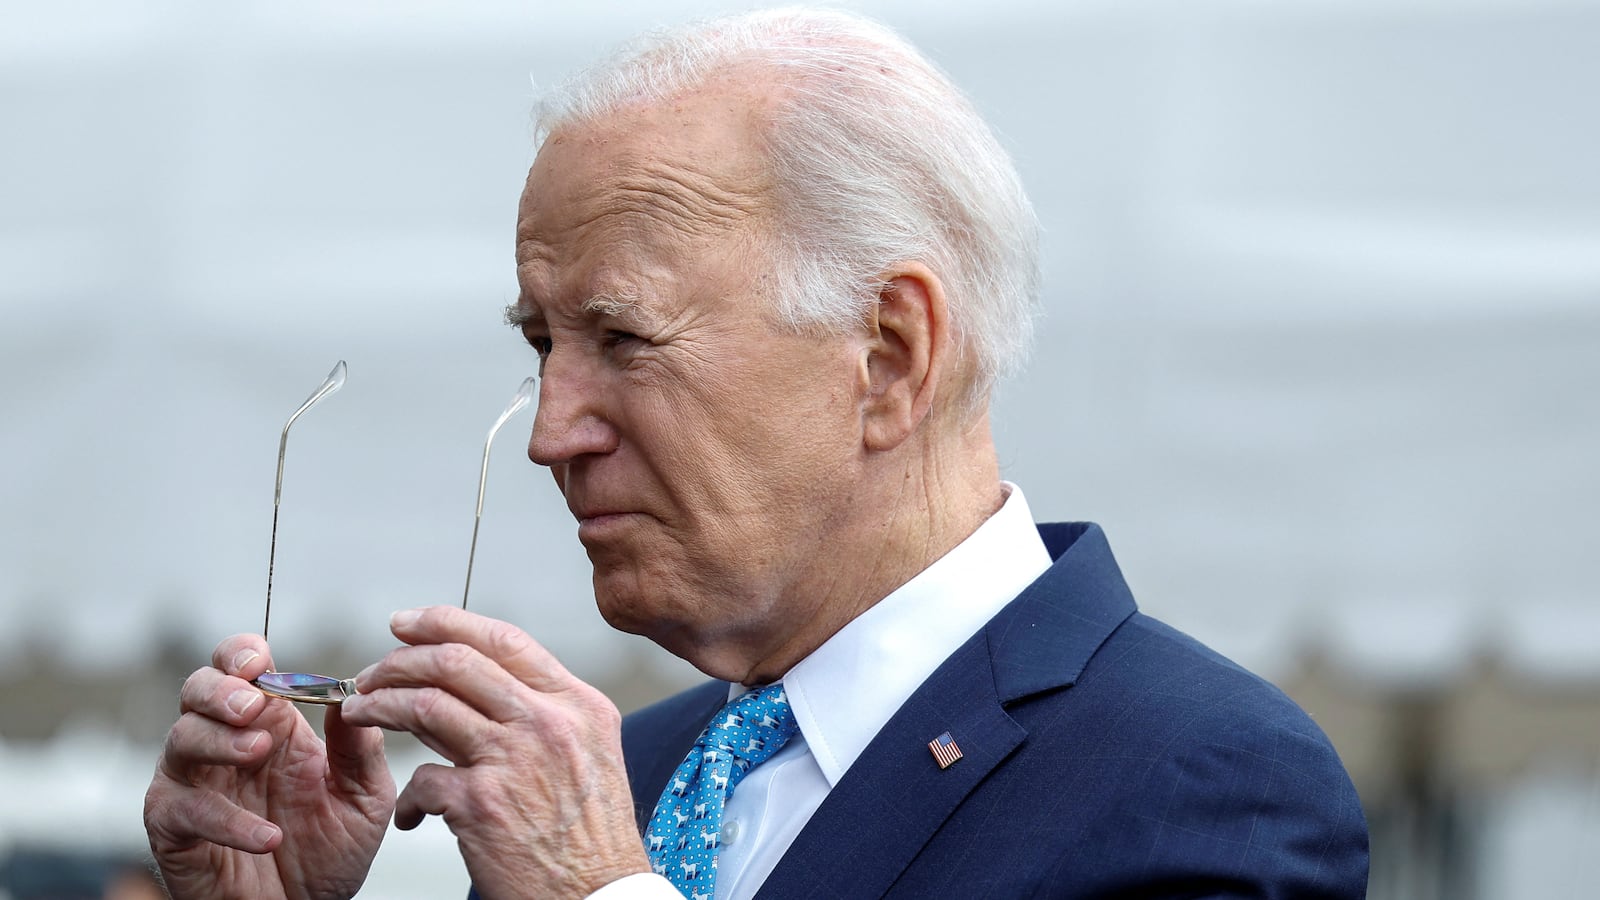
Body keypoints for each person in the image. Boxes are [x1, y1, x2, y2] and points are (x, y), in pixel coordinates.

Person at [142, 8, 1368, 899]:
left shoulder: (1199, 780)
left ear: (886, 355)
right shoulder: (624, 778)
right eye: (542, 345)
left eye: (624, 338)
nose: (552, 435)